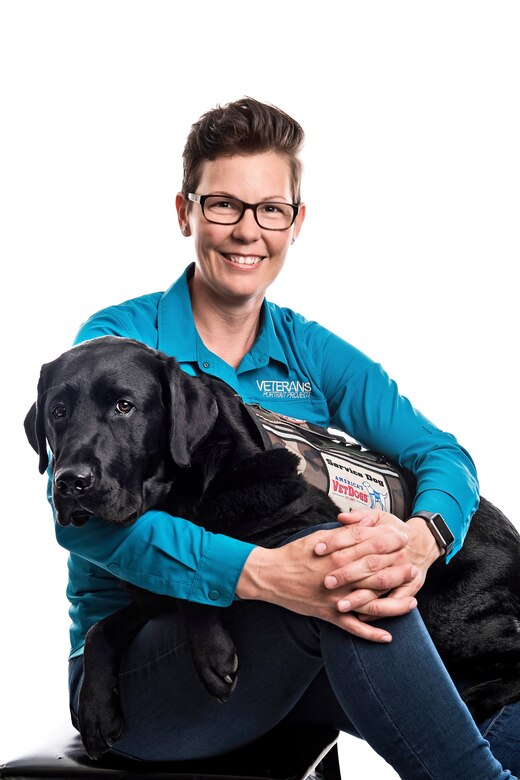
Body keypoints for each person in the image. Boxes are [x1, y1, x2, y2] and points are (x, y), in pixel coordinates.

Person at [55, 97, 518, 778]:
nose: (248, 231)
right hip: (142, 671)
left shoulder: (306, 348)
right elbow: (84, 526)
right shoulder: (117, 345)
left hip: (288, 666)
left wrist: (422, 539)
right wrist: (267, 576)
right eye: (223, 206)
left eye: (270, 209)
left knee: (496, 686)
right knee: (340, 577)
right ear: (185, 212)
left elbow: (442, 456)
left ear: (295, 222)